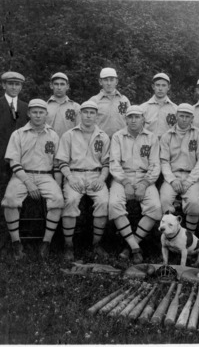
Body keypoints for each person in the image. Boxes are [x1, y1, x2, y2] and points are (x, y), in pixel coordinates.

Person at [1, 99, 64, 260]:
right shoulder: (18, 134)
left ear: (46, 114)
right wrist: (28, 183)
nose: (37, 115)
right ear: (28, 113)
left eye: (41, 112)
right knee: (9, 201)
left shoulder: (53, 135)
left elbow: (57, 163)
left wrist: (57, 185)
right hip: (22, 175)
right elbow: (14, 162)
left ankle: (46, 242)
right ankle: (16, 243)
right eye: (34, 112)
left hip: (45, 175)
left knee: (58, 200)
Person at [56, 101, 110, 261]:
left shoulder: (103, 136)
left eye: (92, 112)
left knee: (103, 201)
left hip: (95, 175)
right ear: (80, 114)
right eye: (85, 112)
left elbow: (107, 163)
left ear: (96, 115)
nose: (88, 115)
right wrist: (70, 178)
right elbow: (62, 162)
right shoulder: (69, 135)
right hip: (75, 175)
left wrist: (101, 178)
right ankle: (68, 245)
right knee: (71, 200)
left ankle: (96, 244)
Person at [109, 105, 162, 263]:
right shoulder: (118, 136)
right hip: (121, 177)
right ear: (125, 119)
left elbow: (155, 165)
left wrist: (144, 184)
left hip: (144, 177)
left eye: (137, 117)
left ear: (143, 119)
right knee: (113, 204)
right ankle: (135, 248)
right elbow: (114, 163)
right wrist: (125, 182)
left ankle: (130, 246)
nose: (133, 120)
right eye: (130, 117)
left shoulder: (151, 137)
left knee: (155, 206)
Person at [160, 103, 199, 233]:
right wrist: (172, 180)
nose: (184, 119)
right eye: (181, 115)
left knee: (193, 202)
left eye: (187, 116)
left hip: (192, 177)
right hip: (173, 176)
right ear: (176, 116)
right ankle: (171, 234)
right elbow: (164, 161)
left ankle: (189, 237)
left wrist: (189, 180)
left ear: (192, 118)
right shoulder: (167, 136)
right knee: (164, 200)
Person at [0, 72, 28, 181]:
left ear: (21, 87)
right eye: (10, 84)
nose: (14, 87)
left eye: (17, 84)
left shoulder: (26, 107)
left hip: (20, 158)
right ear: (3, 85)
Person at [89, 67, 130, 138]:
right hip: (100, 141)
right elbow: (88, 123)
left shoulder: (124, 100)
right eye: (105, 80)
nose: (109, 83)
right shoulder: (93, 101)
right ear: (100, 82)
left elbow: (130, 122)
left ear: (116, 82)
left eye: (111, 80)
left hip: (121, 141)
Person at [139, 73, 177, 139]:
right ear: (153, 86)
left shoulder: (175, 109)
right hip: (147, 146)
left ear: (169, 87)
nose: (160, 88)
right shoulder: (142, 108)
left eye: (164, 85)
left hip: (167, 147)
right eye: (157, 85)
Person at [46, 72, 80, 137]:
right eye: (56, 84)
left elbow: (80, 131)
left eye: (62, 84)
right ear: (51, 86)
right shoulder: (44, 107)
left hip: (69, 145)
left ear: (67, 86)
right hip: (48, 145)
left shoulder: (76, 107)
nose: (59, 87)